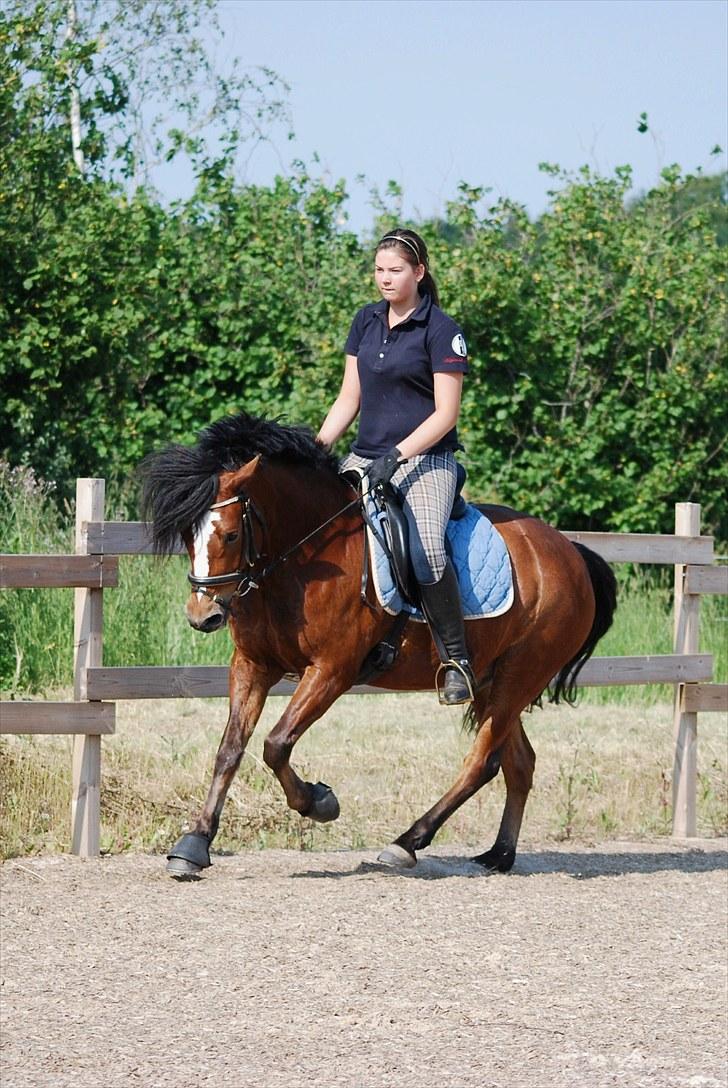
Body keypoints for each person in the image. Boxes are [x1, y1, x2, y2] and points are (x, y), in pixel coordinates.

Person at [317, 228, 474, 705]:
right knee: (320, 527)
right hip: (366, 456)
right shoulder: (365, 321)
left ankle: (457, 661)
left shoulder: (442, 330)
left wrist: (395, 456)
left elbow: (446, 413)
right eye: (379, 270)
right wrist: (314, 448)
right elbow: (350, 397)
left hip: (426, 459)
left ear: (419, 273)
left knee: (426, 549)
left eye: (395, 270)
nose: (385, 279)